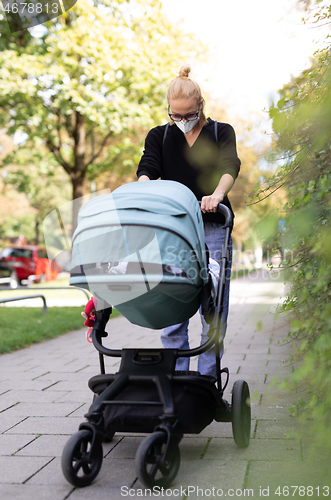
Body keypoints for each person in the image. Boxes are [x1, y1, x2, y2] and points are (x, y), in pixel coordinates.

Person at [136, 65, 241, 378]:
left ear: (201, 106)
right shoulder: (160, 135)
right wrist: (145, 191)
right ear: (169, 111)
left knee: (213, 311)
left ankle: (207, 383)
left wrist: (217, 195)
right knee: (173, 307)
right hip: (174, 231)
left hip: (213, 229)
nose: (182, 121)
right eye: (176, 116)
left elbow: (229, 165)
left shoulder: (221, 132)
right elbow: (148, 167)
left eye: (188, 114)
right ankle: (176, 382)